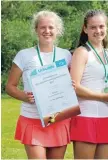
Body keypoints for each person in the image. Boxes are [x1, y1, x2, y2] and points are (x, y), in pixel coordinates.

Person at [5, 10, 74, 159]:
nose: (47, 31)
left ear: (57, 30)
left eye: (51, 27)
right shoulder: (24, 55)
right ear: (36, 30)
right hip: (32, 119)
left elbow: (72, 83)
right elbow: (10, 86)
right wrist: (24, 96)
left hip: (58, 119)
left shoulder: (66, 55)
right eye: (42, 27)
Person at [70, 10, 108, 159]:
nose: (98, 31)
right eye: (93, 27)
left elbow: (105, 81)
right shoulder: (81, 52)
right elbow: (74, 87)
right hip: (86, 117)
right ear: (85, 29)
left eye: (101, 26)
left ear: (106, 27)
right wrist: (103, 97)